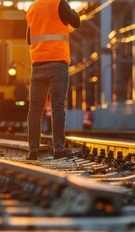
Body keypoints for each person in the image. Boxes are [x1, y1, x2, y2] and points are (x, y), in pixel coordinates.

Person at [25, 0, 80, 160]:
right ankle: (59, 150)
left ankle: (33, 151)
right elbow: (76, 22)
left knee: (35, 109)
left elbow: (29, 40)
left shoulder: (32, 9)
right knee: (57, 107)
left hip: (37, 66)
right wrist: (72, 10)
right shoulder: (59, 3)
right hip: (57, 64)